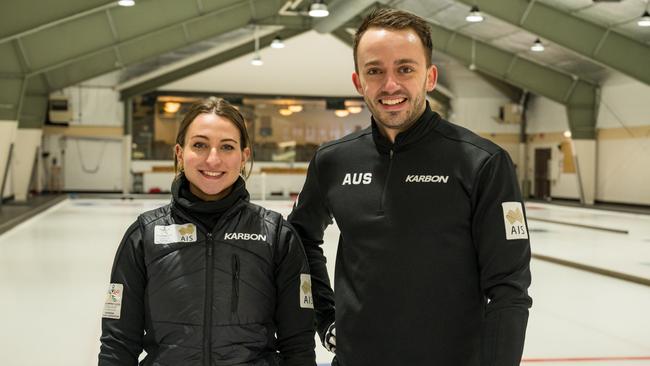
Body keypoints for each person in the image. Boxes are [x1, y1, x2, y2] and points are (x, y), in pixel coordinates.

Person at [288, 8, 532, 366]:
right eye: (375, 71)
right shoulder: (333, 161)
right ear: (358, 82)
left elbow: (509, 291)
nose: (390, 85)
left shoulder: (482, 162)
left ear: (429, 76)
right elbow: (300, 241)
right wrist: (324, 316)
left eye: (405, 68)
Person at [99, 97, 316, 366]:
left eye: (227, 147)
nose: (213, 159)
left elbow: (298, 347)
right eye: (200, 145)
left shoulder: (277, 236)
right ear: (180, 153)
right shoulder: (144, 235)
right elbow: (118, 344)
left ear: (244, 156)